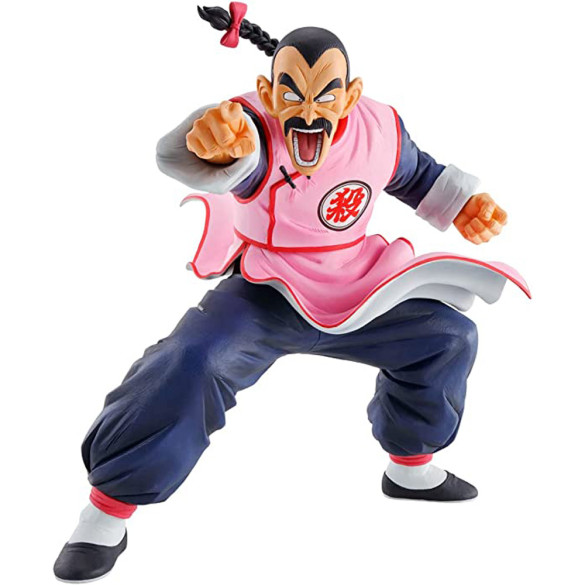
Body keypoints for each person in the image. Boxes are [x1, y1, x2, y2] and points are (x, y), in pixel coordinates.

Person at [53, 3, 529, 582]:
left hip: (360, 286)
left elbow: (417, 175)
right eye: (290, 94)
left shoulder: (380, 128)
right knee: (192, 360)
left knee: (448, 337)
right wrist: (211, 141)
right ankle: (106, 512)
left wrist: (465, 205)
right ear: (267, 92)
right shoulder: (254, 127)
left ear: (351, 95)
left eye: (325, 95)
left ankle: (409, 467)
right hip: (266, 290)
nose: (307, 111)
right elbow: (227, 153)